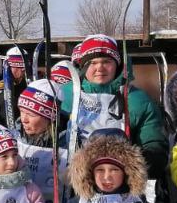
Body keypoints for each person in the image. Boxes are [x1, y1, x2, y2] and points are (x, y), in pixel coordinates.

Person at [61, 35, 167, 175]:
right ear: (82, 66)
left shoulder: (137, 100)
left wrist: (134, 164)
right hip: (70, 179)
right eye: (92, 63)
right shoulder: (64, 95)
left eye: (106, 61)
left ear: (117, 64)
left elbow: (154, 144)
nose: (100, 68)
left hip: (120, 179)